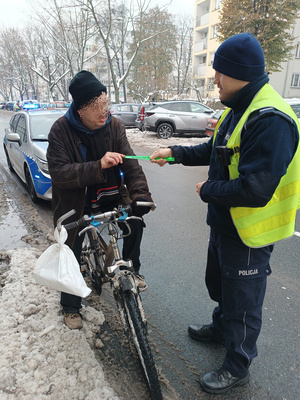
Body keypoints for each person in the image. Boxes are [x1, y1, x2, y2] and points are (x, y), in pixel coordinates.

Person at [150, 33, 300, 394]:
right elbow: (217, 150)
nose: (215, 79)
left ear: (240, 73)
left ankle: (237, 365)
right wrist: (176, 152)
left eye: (219, 72)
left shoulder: (270, 120)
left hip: (250, 233)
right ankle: (221, 329)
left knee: (243, 303)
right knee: (220, 285)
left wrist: (209, 191)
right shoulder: (238, 109)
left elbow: (256, 189)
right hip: (226, 225)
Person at [47, 70, 153, 330]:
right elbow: (59, 173)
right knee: (71, 250)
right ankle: (71, 306)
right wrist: (98, 165)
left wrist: (140, 196)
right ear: (81, 110)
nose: (104, 112)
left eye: (106, 104)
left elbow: (131, 165)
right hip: (76, 203)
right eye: (97, 108)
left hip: (111, 195)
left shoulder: (113, 126)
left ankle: (131, 270)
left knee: (135, 221)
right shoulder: (60, 131)